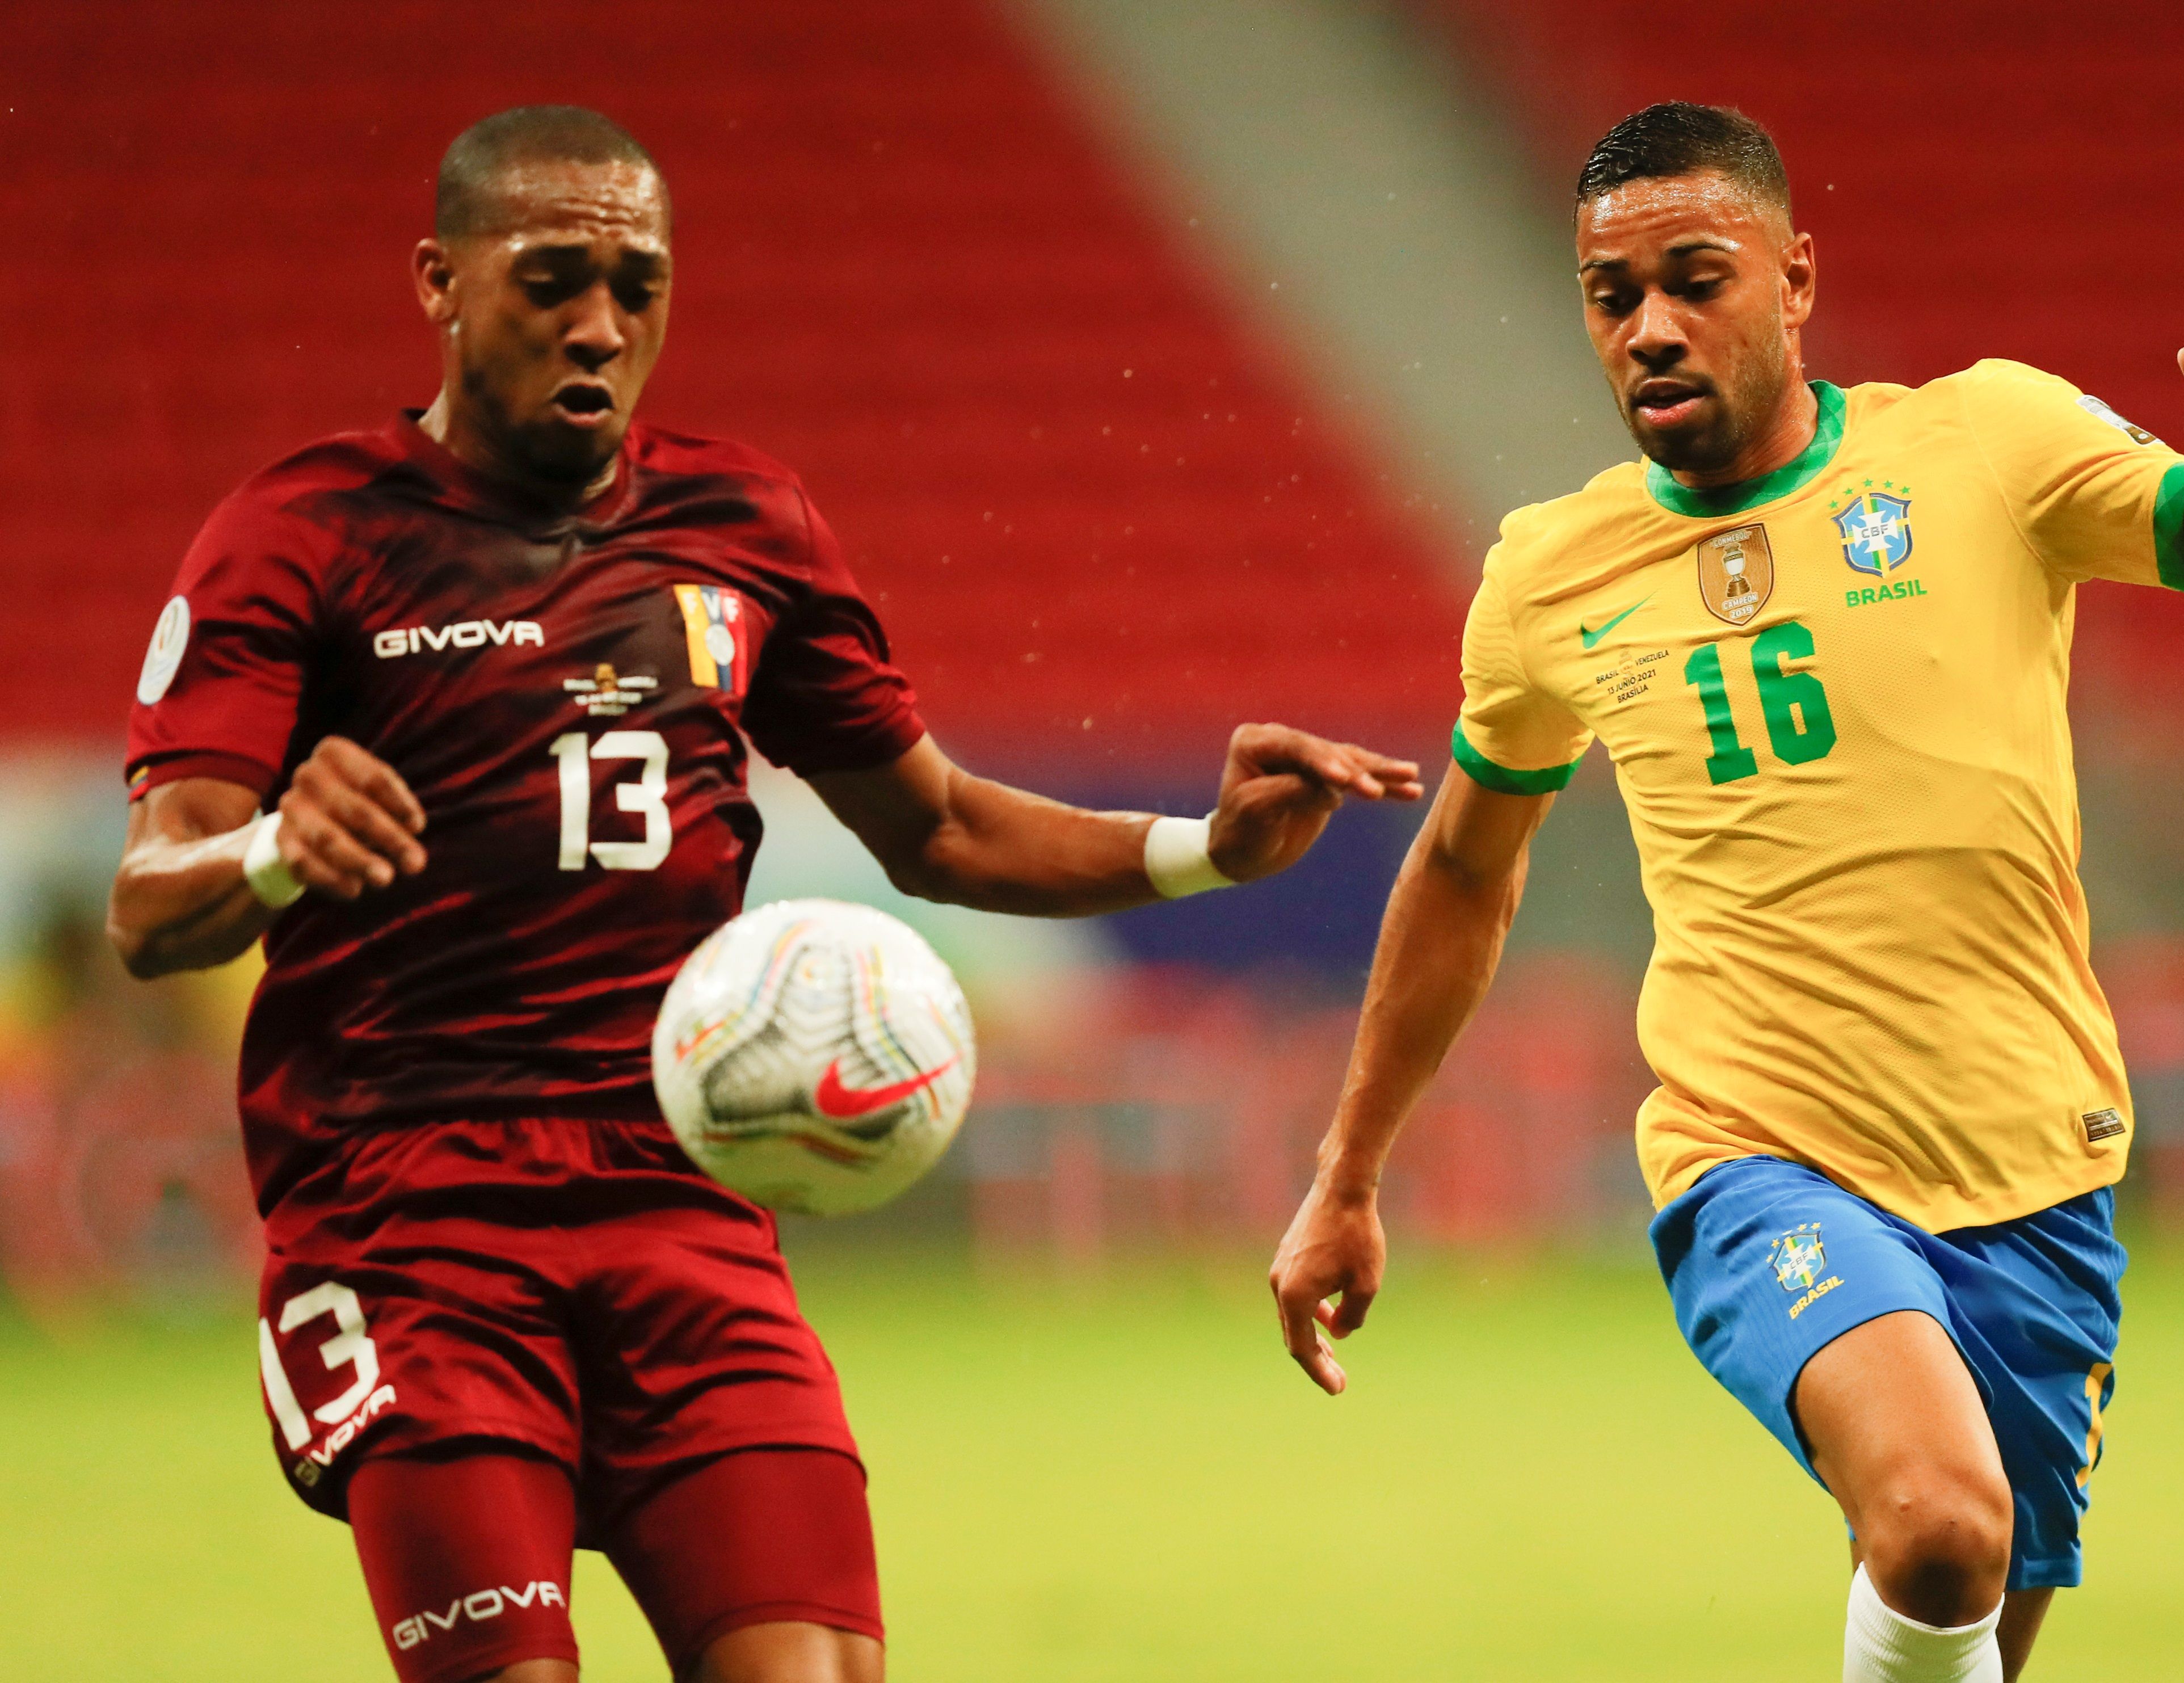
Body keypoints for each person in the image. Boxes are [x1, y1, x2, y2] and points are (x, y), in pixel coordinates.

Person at [108, 104, 1420, 1683]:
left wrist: (1200, 851)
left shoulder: (744, 526)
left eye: (636, 283)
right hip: (409, 1212)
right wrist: (264, 849)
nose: (599, 324)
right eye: (549, 280)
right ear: (438, 282)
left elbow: (934, 831)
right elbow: (148, 901)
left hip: (682, 1203)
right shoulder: (299, 535)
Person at [1266, 101, 2184, 1683]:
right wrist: (1347, 1170)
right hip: (1759, 1159)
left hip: (2032, 1173)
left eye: (1695, 279)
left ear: (1794, 283)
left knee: (1968, 1619)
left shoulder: (1989, 449)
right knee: (1939, 1523)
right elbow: (1465, 861)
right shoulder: (1548, 577)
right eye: (1612, 297)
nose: (1650, 327)